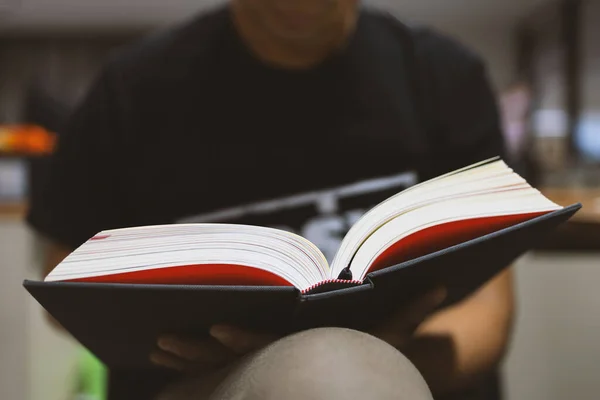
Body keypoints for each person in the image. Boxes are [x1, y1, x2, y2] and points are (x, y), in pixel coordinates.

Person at [27, 0, 515, 399]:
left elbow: (491, 304)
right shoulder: (130, 93)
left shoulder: (443, 78)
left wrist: (366, 370)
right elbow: (64, 275)